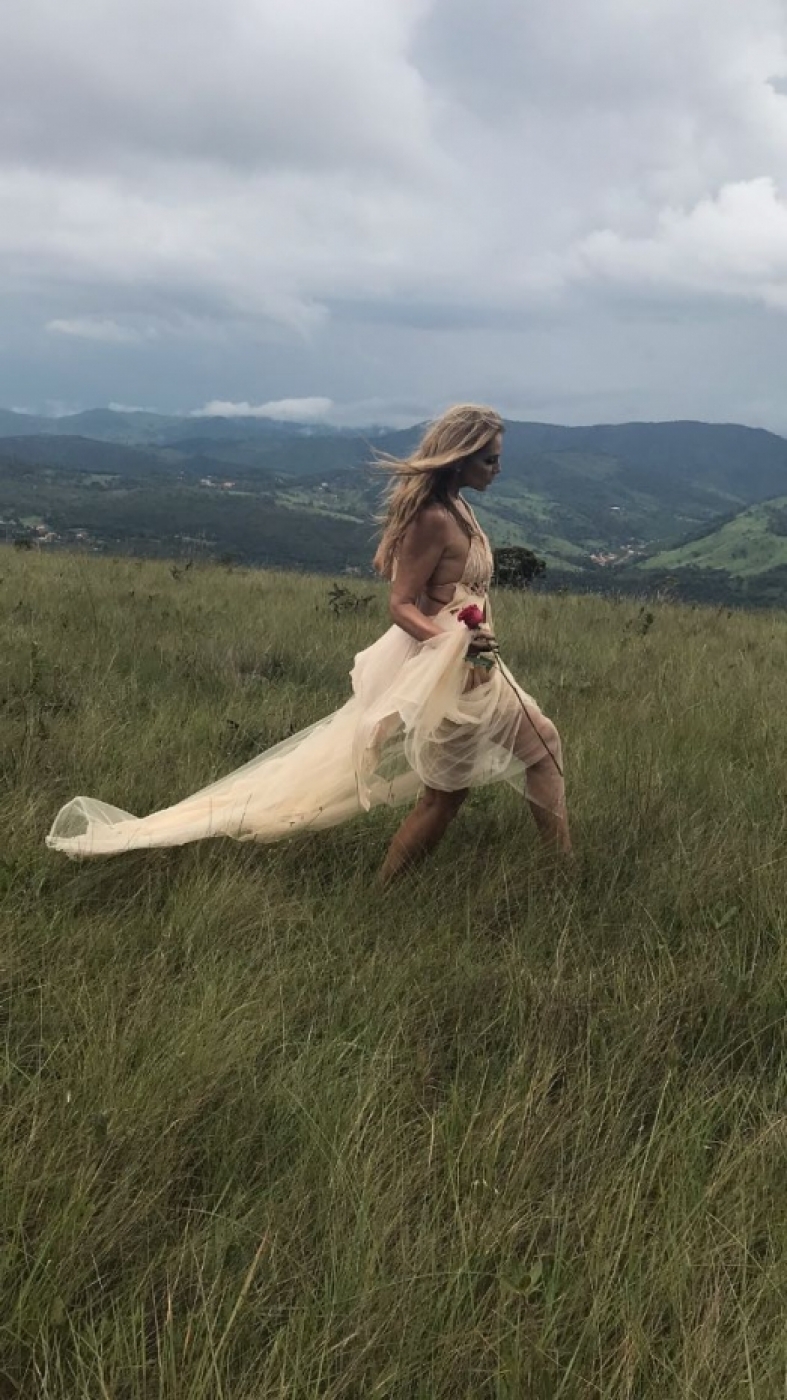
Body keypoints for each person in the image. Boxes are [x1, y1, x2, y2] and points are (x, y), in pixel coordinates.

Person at [46, 404, 570, 876]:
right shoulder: (433, 519)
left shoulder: (460, 505)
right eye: (490, 461)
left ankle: (553, 870)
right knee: (447, 795)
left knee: (532, 750)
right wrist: (454, 644)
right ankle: (400, 892)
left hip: (472, 664)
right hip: (450, 669)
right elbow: (400, 604)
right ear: (459, 460)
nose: (498, 470)